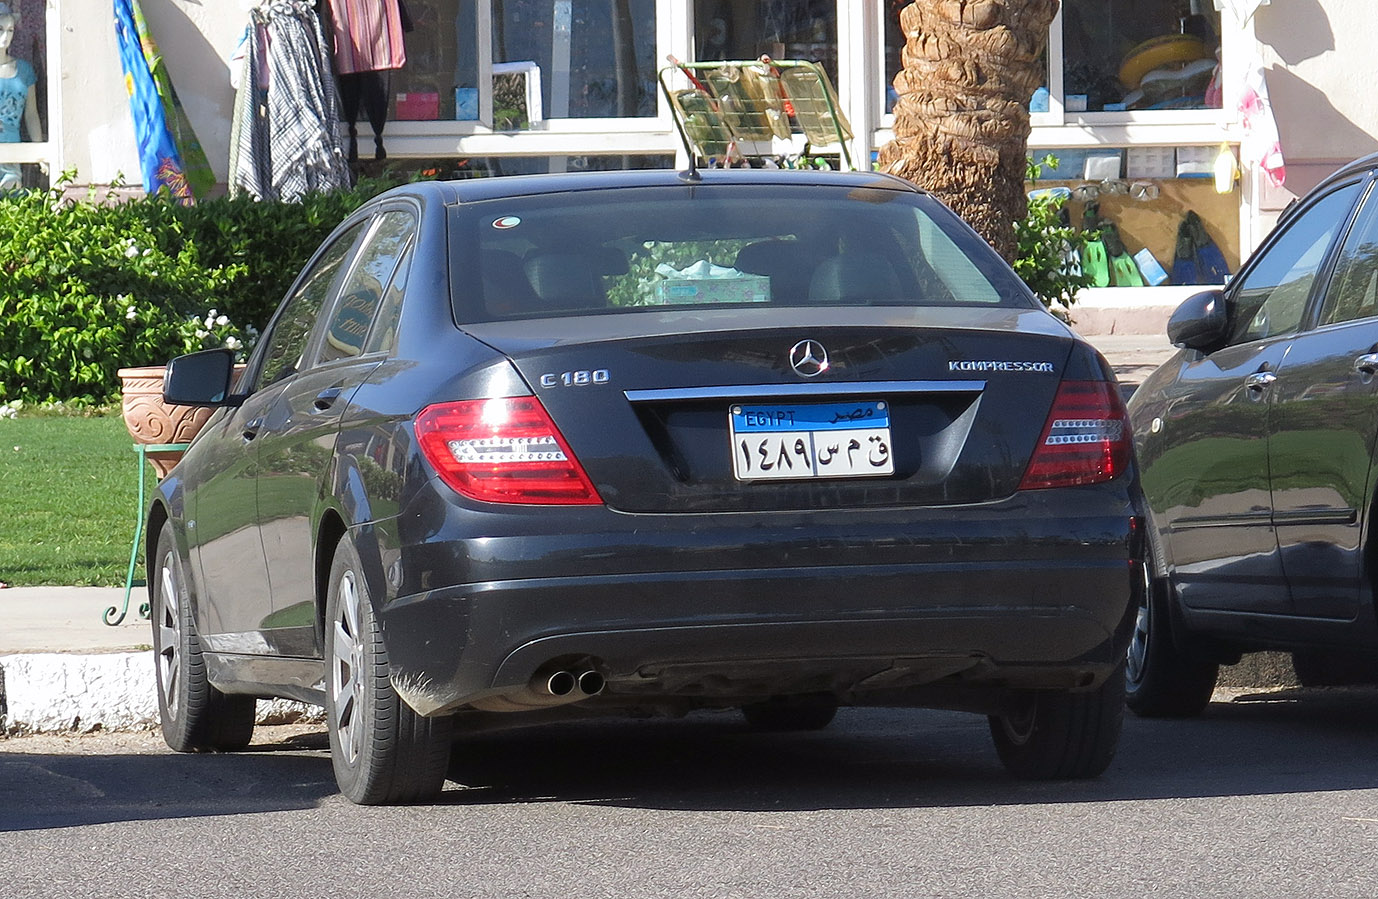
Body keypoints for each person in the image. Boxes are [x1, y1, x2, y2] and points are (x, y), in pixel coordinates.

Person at [0, 1, 40, 189]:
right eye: (0, 29)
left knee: (13, 200)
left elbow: (31, 114)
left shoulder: (24, 71)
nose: (5, 37)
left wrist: (40, 151)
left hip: (13, 154)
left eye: (10, 30)